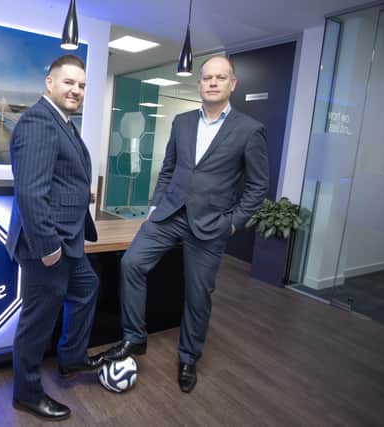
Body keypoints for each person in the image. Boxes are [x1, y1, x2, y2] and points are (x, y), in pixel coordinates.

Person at [100, 55, 269, 393]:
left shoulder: (249, 131)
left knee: (197, 294)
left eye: (220, 77)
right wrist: (153, 206)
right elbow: (168, 168)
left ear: (232, 84)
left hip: (211, 225)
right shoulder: (182, 122)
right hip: (169, 215)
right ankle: (134, 338)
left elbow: (257, 187)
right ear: (199, 83)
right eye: (207, 77)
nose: (213, 82)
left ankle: (189, 356)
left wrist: (233, 223)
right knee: (132, 263)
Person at [5, 54, 103, 421]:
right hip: (46, 244)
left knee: (86, 287)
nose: (76, 90)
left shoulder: (61, 122)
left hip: (67, 237)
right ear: (49, 83)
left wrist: (81, 194)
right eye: (69, 83)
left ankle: (72, 358)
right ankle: (26, 394)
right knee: (38, 319)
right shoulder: (38, 122)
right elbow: (30, 192)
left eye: (81, 85)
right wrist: (47, 248)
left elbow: (56, 175)